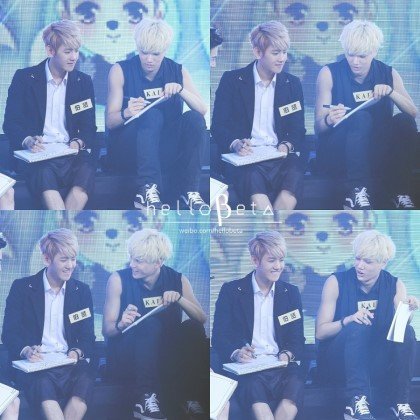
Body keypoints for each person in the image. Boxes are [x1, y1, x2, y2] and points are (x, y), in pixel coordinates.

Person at [102, 228, 208, 420]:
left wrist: (179, 299)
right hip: (129, 354)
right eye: (132, 258)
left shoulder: (178, 279)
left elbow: (201, 318)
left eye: (139, 261)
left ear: (158, 262)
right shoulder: (118, 279)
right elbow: (107, 330)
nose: (132, 265)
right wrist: (122, 324)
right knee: (150, 324)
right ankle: (144, 397)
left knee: (193, 327)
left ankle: (189, 397)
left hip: (166, 354)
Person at [314, 20, 418, 210]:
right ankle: (356, 191)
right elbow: (318, 128)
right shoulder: (329, 73)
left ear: (374, 52)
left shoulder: (388, 73)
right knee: (361, 118)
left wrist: (390, 92)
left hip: (376, 149)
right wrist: (329, 119)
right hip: (341, 150)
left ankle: (400, 192)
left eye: (362, 56)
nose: (355, 62)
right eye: (350, 54)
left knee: (404, 120)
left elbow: (413, 113)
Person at [106, 17, 208, 210]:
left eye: (156, 54)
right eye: (144, 52)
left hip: (165, 149)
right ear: (137, 47)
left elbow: (202, 109)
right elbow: (110, 122)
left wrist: (180, 90)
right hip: (131, 149)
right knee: (152, 115)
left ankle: (189, 192)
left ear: (165, 50)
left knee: (194, 118)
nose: (149, 59)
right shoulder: (120, 70)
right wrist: (127, 112)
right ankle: (147, 188)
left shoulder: (178, 71)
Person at [316, 230, 419, 420]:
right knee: (358, 325)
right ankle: (357, 400)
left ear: (383, 263)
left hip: (375, 359)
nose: (359, 266)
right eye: (357, 259)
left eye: (368, 261)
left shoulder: (395, 284)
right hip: (339, 360)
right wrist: (348, 320)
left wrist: (409, 309)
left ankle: (400, 403)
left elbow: (400, 330)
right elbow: (320, 332)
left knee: (408, 332)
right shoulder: (336, 282)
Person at [1, 228, 96, 420]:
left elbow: (88, 337)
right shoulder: (22, 288)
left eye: (73, 259)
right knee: (42, 382)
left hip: (69, 363)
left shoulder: (82, 291)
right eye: (64, 260)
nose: (70, 265)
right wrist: (27, 350)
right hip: (35, 365)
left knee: (85, 379)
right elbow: (9, 333)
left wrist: (76, 352)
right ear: (46, 259)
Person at [211, 21, 306, 211]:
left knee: (293, 178)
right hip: (247, 159)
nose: (282, 58)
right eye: (276, 53)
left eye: (284, 52)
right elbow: (218, 126)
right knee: (253, 182)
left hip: (280, 157)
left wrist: (286, 145)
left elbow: (297, 129)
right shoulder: (232, 80)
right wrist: (236, 143)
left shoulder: (292, 84)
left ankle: (274, 228)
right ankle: (268, 227)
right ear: (257, 52)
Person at [3, 20, 97, 210]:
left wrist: (78, 142)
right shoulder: (24, 78)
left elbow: (89, 127)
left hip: (70, 153)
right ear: (50, 50)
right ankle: (62, 225)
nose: (74, 57)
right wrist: (28, 140)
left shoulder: (83, 82)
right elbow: (11, 123)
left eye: (76, 51)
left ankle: (63, 225)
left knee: (86, 171)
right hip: (38, 155)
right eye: (67, 51)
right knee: (44, 173)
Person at [212, 231, 305, 420]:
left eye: (281, 260)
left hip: (282, 366)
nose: (278, 266)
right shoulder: (231, 291)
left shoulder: (291, 293)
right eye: (272, 260)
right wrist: (237, 353)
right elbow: (219, 337)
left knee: (294, 388)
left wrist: (287, 354)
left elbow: (297, 339)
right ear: (255, 261)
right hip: (249, 369)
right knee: (254, 388)